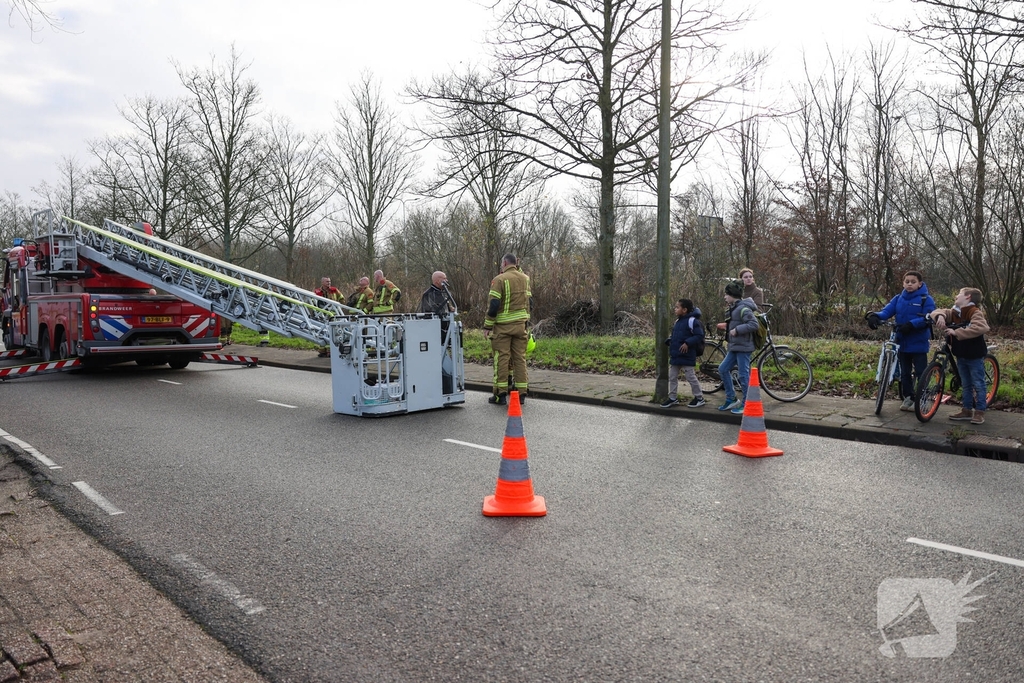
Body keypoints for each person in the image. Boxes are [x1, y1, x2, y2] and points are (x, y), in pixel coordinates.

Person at [866, 270, 936, 412]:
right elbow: (887, 311)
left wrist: (912, 324)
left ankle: (923, 397)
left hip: (918, 342)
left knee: (921, 371)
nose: (909, 284)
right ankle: (908, 396)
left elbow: (928, 317)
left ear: (919, 284)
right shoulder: (898, 298)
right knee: (905, 372)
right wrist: (874, 316)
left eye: (913, 282)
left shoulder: (926, 299)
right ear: (903, 283)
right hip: (902, 342)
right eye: (907, 281)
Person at [929, 287, 990, 425]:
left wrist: (957, 332)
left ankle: (980, 411)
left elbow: (981, 327)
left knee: (978, 384)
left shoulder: (974, 312)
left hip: (974, 355)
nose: (956, 296)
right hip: (961, 354)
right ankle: (967, 410)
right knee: (966, 384)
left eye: (959, 294)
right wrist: (940, 317)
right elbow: (939, 311)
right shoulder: (954, 311)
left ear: (968, 297)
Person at [484, 253, 531, 406]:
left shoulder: (500, 279)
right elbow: (530, 303)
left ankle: (500, 395)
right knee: (520, 358)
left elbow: (494, 306)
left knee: (501, 359)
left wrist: (488, 326)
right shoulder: (525, 278)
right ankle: (521, 394)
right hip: (520, 326)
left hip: (503, 327)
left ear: (504, 263)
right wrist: (526, 322)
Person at [717, 279, 759, 414]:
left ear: (732, 295)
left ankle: (747, 403)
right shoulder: (733, 308)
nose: (724, 297)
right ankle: (731, 398)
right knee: (723, 369)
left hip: (744, 347)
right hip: (734, 346)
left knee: (743, 375)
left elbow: (754, 324)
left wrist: (737, 330)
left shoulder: (743, 308)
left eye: (726, 294)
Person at [661, 298, 706, 409]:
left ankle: (699, 397)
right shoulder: (677, 322)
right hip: (676, 354)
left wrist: (687, 343)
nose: (675, 309)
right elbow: (677, 335)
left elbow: (699, 335)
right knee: (672, 376)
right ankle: (672, 398)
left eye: (677, 307)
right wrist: (671, 341)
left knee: (690, 376)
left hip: (687, 354)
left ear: (684, 309)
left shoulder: (692, 321)